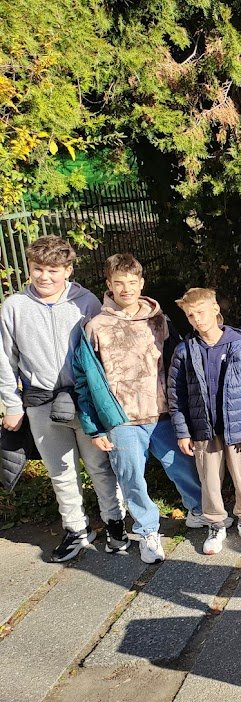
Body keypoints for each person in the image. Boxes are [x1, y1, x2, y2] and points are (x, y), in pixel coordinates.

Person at [75, 253, 206, 564]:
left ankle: (200, 510)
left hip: (162, 413)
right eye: (119, 283)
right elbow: (85, 379)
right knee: (131, 477)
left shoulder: (159, 320)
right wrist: (94, 427)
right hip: (122, 419)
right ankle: (147, 530)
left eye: (132, 282)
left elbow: (178, 365)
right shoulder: (96, 326)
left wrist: (185, 410)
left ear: (142, 283)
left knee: (181, 465)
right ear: (109, 284)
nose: (126, 289)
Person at [0, 236, 122, 562]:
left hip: (84, 402)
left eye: (53, 270)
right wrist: (12, 404)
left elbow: (104, 351)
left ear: (67, 270)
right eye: (38, 269)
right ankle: (76, 528)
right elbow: (5, 359)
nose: (44, 277)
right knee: (60, 470)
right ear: (29, 269)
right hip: (41, 401)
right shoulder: (14, 307)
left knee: (100, 465)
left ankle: (115, 520)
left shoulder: (86, 302)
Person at [169, 288, 241, 555]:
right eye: (190, 315)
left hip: (237, 428)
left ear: (215, 310)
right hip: (203, 430)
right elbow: (176, 394)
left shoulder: (239, 346)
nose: (197, 319)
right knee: (209, 480)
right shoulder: (185, 351)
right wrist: (182, 431)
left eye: (200, 312)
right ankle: (216, 523)